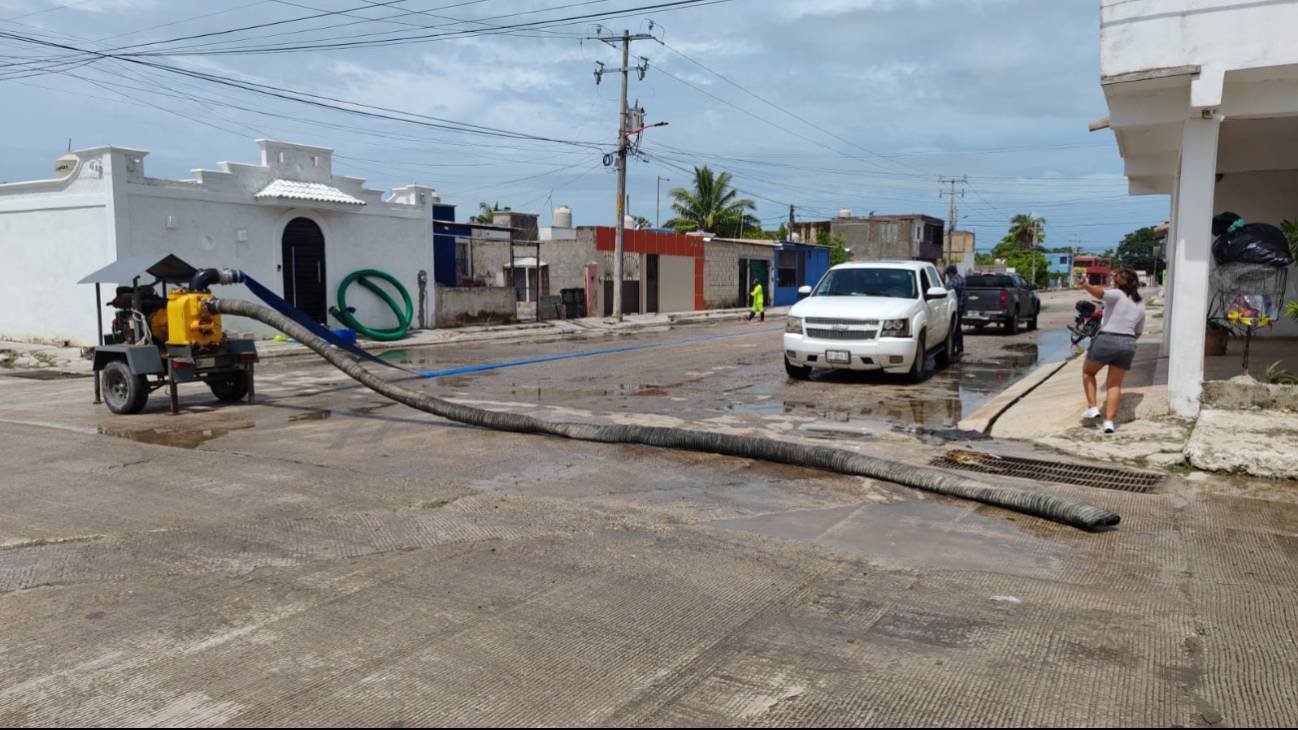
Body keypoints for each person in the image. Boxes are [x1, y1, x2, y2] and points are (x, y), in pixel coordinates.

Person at [1078, 268, 1146, 434]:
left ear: (1120, 283)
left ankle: (1093, 407)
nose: (1113, 282)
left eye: (1115, 280)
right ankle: (1109, 422)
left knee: (1088, 372)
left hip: (1107, 339)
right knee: (1114, 384)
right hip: (1128, 343)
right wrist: (1125, 343)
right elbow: (1138, 332)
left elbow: (1100, 294)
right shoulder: (1140, 304)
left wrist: (1085, 285)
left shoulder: (1116, 294)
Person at [943, 264, 967, 356]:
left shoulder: (953, 282)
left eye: (948, 274)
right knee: (958, 328)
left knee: (955, 329)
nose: (948, 276)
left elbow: (946, 292)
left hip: (955, 309)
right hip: (961, 307)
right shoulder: (962, 279)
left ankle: (954, 348)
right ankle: (960, 348)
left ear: (951, 273)